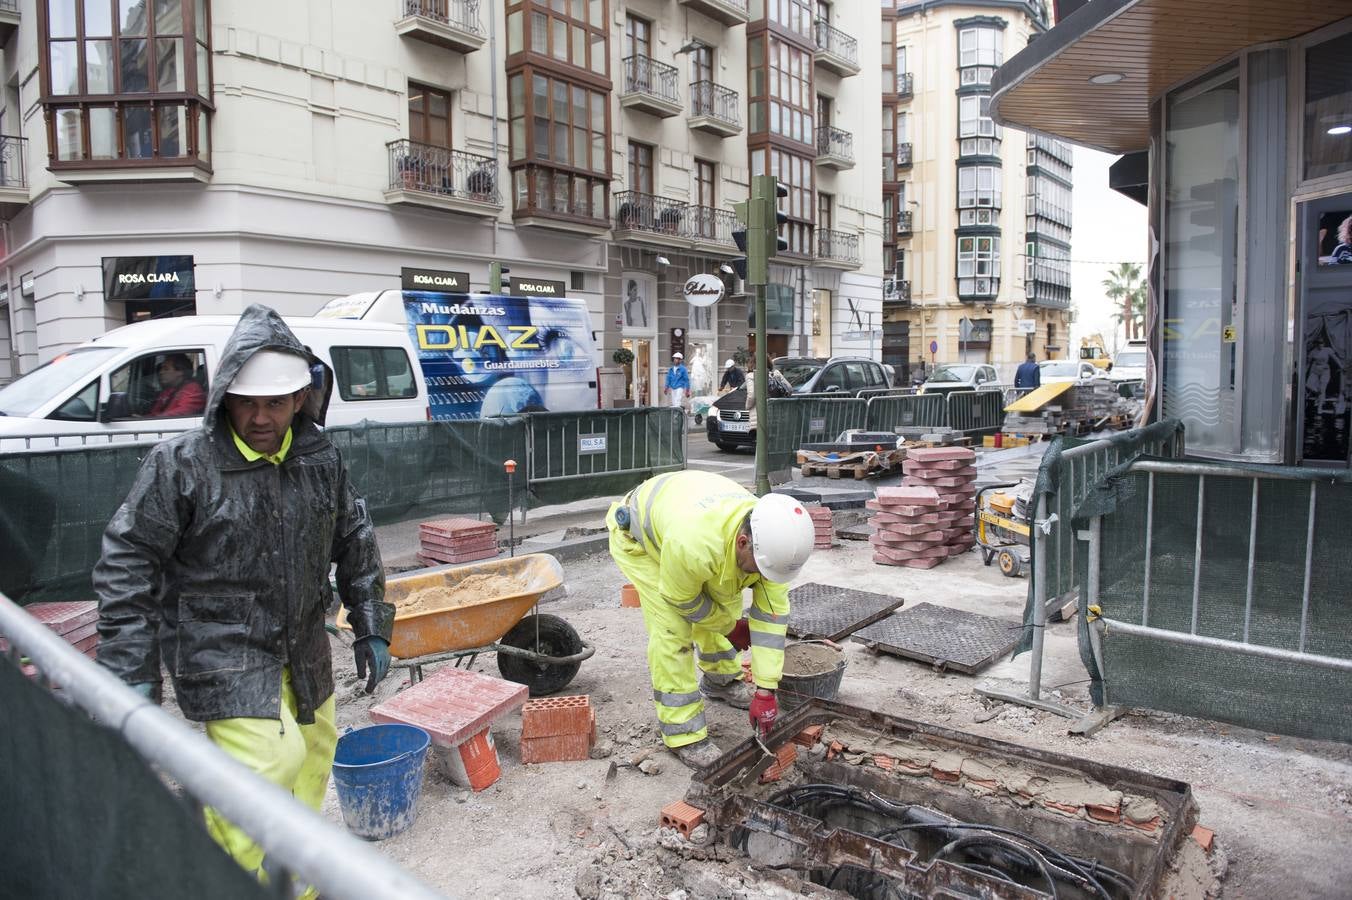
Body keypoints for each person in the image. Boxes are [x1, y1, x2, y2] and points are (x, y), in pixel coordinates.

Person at [94, 304, 394, 897]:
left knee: (312, 756)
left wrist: (371, 622)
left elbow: (354, 537)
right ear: (225, 395)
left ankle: (299, 887)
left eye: (275, 402)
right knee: (263, 770)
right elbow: (129, 559)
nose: (261, 417)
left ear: (301, 397)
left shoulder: (319, 460)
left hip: (304, 643)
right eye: (247, 401)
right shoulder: (183, 465)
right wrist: (128, 666)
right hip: (222, 650)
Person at [607, 471, 816, 767]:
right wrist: (729, 628)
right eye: (760, 569)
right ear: (743, 542)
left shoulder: (772, 548)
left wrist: (766, 689)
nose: (763, 577)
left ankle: (721, 681)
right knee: (673, 631)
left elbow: (771, 620)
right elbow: (683, 600)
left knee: (724, 600)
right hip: (641, 541)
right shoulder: (693, 544)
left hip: (691, 518)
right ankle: (684, 734)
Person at [146, 352, 207, 417]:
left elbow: (184, 411)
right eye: (161, 368)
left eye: (166, 369)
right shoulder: (167, 391)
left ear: (180, 372)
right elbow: (155, 412)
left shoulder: (193, 390)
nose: (161, 372)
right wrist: (145, 418)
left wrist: (156, 418)